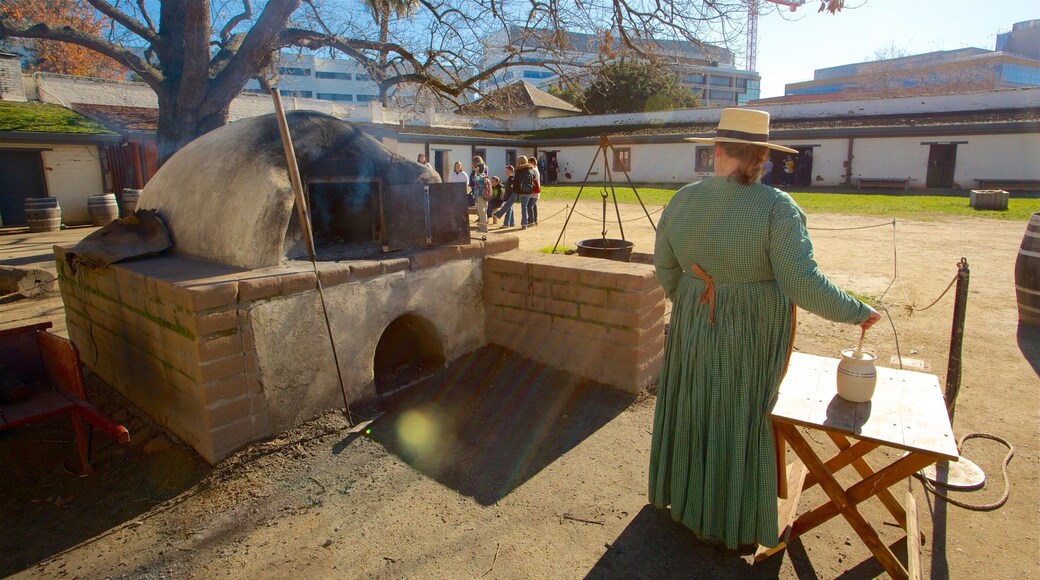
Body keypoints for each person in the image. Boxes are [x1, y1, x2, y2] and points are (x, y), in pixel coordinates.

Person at [650, 108, 880, 550]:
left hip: (694, 318)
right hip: (749, 332)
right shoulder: (776, 207)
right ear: (760, 156)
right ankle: (731, 522)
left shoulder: (681, 200)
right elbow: (801, 282)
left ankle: (686, 501)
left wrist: (694, 303)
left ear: (716, 151)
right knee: (741, 417)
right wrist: (856, 311)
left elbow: (665, 266)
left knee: (695, 406)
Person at [512, 155, 536, 229]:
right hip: (528, 191)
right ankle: (524, 224)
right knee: (524, 208)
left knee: (509, 203)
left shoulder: (518, 170)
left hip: (520, 191)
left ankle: (497, 215)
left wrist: (514, 189)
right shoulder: (531, 169)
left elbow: (516, 181)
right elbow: (534, 178)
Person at [470, 156, 489, 233]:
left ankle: (484, 228)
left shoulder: (479, 176)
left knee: (482, 212)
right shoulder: (484, 175)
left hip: (479, 196)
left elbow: (473, 180)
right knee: (484, 212)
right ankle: (482, 226)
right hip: (485, 196)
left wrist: (476, 172)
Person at [528, 157, 541, 227]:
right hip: (536, 191)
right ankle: (535, 220)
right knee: (533, 206)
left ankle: (531, 221)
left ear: (532, 162)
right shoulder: (536, 169)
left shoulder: (534, 170)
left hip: (534, 191)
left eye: (529, 162)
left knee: (529, 206)